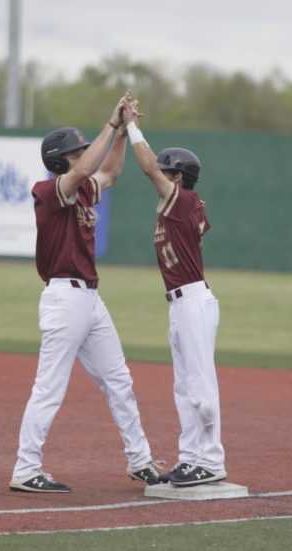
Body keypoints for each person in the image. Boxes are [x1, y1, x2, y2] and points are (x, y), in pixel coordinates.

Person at [10, 91, 161, 493]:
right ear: (62, 161)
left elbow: (108, 173)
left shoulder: (82, 189)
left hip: (91, 300)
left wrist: (126, 132)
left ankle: (140, 459)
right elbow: (86, 170)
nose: (83, 154)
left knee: (119, 381)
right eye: (77, 151)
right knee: (49, 387)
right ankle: (26, 469)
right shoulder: (49, 192)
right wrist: (111, 126)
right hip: (64, 298)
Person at [122, 101, 227, 487]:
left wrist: (131, 128)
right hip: (181, 304)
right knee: (184, 389)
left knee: (200, 386)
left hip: (194, 302)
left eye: (168, 173)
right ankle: (191, 459)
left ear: (179, 179)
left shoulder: (182, 203)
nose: (160, 176)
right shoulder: (181, 207)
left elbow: (147, 166)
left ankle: (212, 460)